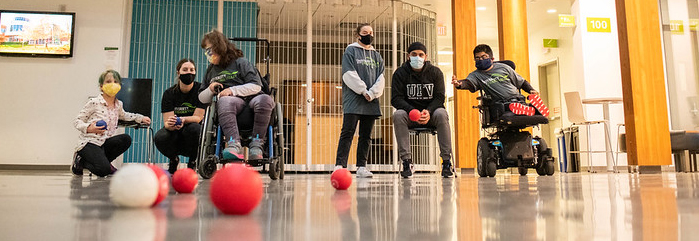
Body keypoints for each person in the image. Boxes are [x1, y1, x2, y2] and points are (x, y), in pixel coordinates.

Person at [198, 30, 274, 161]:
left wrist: (232, 90)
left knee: (266, 100)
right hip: (229, 105)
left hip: (252, 99)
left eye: (209, 50)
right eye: (206, 51)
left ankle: (257, 144)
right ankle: (233, 144)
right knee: (225, 101)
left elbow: (256, 86)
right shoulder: (210, 70)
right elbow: (201, 98)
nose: (208, 54)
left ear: (218, 47)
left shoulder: (241, 62)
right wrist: (210, 89)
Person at [72, 70, 152, 177]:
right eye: (108, 82)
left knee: (125, 139)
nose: (112, 84)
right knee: (103, 171)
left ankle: (105, 162)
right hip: (89, 143)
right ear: (101, 86)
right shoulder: (94, 102)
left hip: (104, 142)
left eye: (116, 82)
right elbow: (77, 121)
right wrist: (88, 128)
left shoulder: (118, 104)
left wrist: (140, 118)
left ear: (119, 86)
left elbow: (125, 115)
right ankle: (81, 160)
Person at [391, 42, 453, 178]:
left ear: (426, 57)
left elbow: (439, 97)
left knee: (442, 113)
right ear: (408, 56)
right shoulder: (400, 73)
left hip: (431, 115)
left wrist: (428, 112)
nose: (417, 57)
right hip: (410, 115)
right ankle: (407, 162)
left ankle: (447, 162)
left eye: (420, 55)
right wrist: (413, 111)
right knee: (398, 115)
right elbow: (395, 99)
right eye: (414, 54)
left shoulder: (435, 72)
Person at [334, 23, 385, 178]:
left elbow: (381, 77)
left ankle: (362, 167)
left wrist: (373, 93)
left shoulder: (377, 55)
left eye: (371, 32)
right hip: (354, 99)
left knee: (366, 135)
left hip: (371, 100)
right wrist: (363, 90)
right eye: (365, 32)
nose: (368, 35)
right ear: (358, 35)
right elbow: (348, 73)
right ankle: (340, 165)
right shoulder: (351, 50)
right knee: (347, 132)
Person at [451, 44, 541, 115]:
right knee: (509, 107)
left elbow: (521, 82)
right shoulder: (475, 75)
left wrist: (531, 90)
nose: (480, 59)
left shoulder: (504, 67)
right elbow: (468, 83)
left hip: (517, 99)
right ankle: (528, 110)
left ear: (492, 58)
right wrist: (459, 84)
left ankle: (532, 108)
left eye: (484, 57)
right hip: (501, 104)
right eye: (477, 58)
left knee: (526, 103)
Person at [154, 58, 206, 174]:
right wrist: (172, 124)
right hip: (175, 132)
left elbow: (198, 118)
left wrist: (182, 119)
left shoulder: (200, 91)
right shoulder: (169, 93)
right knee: (159, 137)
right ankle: (173, 160)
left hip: (192, 133)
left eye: (192, 70)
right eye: (185, 69)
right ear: (178, 72)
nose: (189, 72)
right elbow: (167, 123)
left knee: (195, 129)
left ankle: (192, 161)